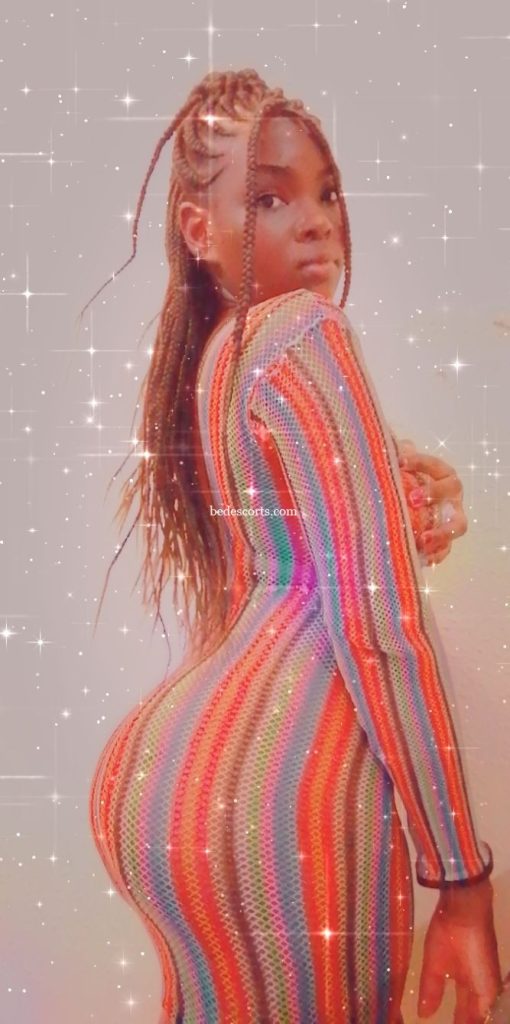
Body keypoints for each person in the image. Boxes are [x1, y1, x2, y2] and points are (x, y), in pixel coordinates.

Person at [80, 69, 503, 1023]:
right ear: (200, 231)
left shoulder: (223, 358)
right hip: (281, 799)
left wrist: (406, 495)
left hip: (163, 779)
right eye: (270, 199)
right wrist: (459, 875)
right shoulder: (308, 331)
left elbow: (289, 562)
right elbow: (377, 625)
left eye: (327, 193)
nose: (314, 223)